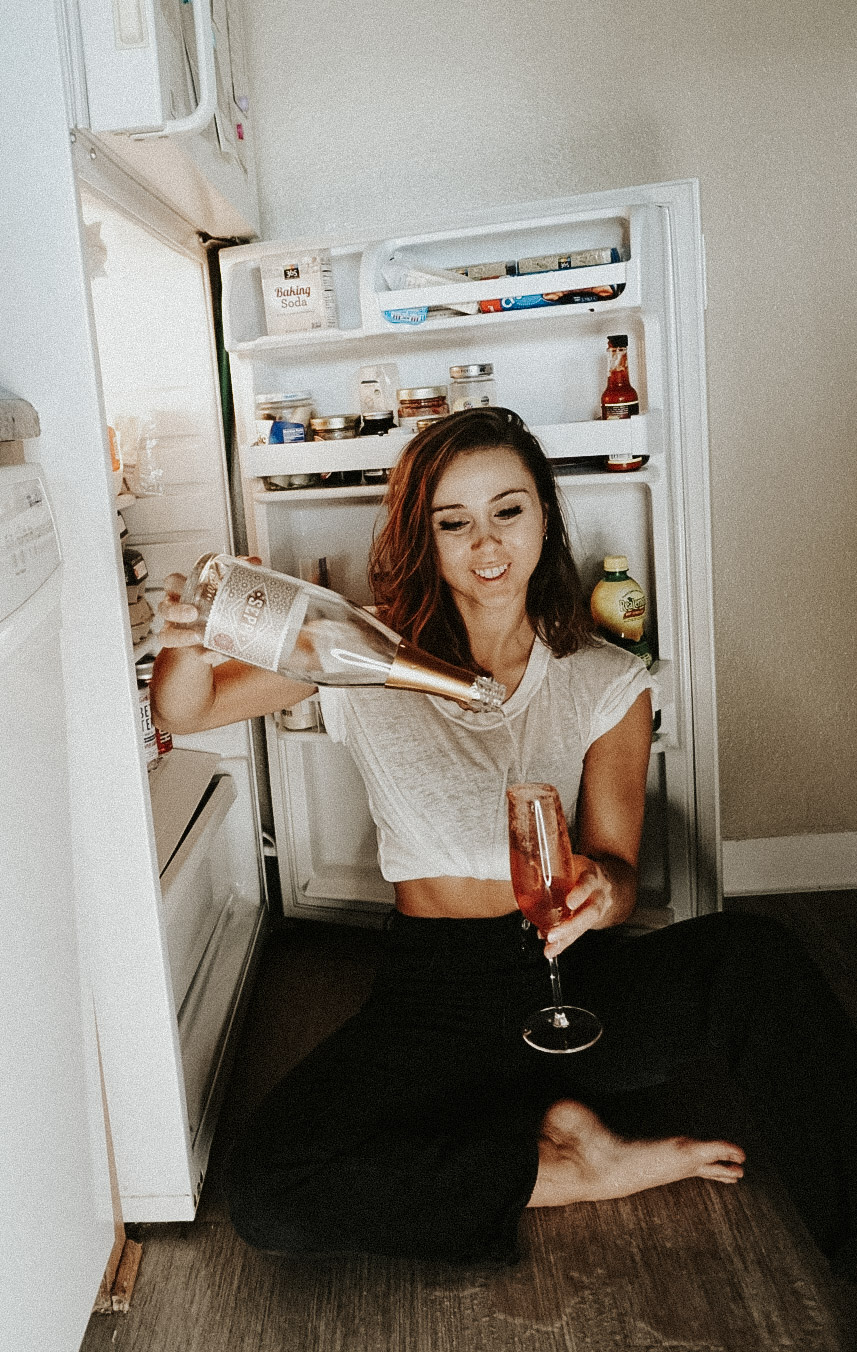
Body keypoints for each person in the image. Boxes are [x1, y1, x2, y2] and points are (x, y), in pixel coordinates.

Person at [151, 408, 857, 1274]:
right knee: (270, 1189)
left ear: (546, 517)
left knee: (757, 956)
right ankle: (558, 1166)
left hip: (568, 977)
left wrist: (602, 892)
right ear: (425, 538)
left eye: (508, 511)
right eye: (454, 523)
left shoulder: (604, 679)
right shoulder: (360, 651)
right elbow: (188, 710)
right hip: (434, 989)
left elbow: (622, 873)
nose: (486, 545)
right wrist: (186, 643)